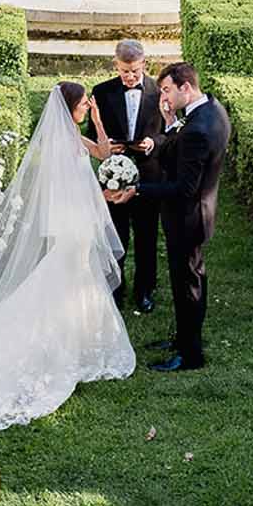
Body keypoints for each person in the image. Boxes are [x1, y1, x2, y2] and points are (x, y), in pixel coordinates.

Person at [0, 86, 137, 429]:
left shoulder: (72, 135)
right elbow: (67, 188)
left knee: (80, 282)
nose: (86, 107)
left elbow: (103, 152)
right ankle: (70, 344)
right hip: (73, 226)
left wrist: (96, 121)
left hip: (79, 224)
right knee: (72, 283)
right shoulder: (60, 144)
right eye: (83, 105)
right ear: (68, 108)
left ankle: (82, 341)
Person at [113, 62, 229, 372]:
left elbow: (183, 187)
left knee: (187, 285)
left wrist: (137, 190)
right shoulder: (212, 110)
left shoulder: (197, 131)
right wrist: (169, 123)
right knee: (193, 279)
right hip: (199, 214)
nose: (162, 95)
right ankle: (183, 339)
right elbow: (172, 155)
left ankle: (190, 355)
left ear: (185, 88)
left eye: (166, 90)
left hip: (187, 218)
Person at [92, 40, 166, 313]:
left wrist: (153, 143)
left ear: (144, 64)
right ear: (116, 65)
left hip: (148, 176)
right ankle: (115, 288)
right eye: (124, 71)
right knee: (116, 236)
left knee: (146, 237)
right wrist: (109, 145)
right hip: (113, 176)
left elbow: (171, 133)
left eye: (134, 71)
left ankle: (144, 290)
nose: (130, 76)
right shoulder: (102, 91)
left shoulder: (159, 92)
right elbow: (93, 132)